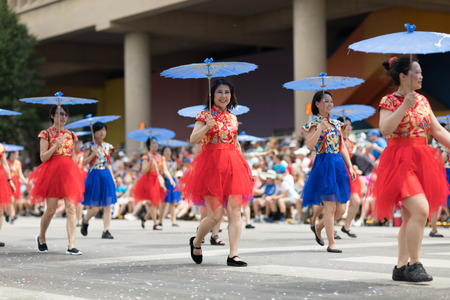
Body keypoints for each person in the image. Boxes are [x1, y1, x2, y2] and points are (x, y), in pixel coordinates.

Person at [371, 56, 450, 282]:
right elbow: (385, 128)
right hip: (399, 161)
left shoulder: (423, 101)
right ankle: (414, 264)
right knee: (421, 210)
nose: (422, 76)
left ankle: (400, 268)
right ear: (403, 76)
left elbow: (438, 131)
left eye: (421, 72)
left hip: (422, 159)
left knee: (410, 218)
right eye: (417, 72)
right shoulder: (389, 100)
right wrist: (404, 105)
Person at [178, 78, 253, 267]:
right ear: (213, 95)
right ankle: (196, 241)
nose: (224, 96)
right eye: (220, 92)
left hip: (233, 164)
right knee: (215, 216)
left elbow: (235, 144)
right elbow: (193, 139)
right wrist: (207, 127)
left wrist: (244, 166)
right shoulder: (204, 115)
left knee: (235, 211)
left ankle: (233, 255)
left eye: (227, 92)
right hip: (212, 166)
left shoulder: (233, 117)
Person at [302, 91, 356, 253]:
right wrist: (320, 129)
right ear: (317, 104)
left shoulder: (337, 124)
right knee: (331, 207)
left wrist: (350, 166)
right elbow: (309, 146)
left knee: (341, 209)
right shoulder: (313, 124)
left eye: (331, 101)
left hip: (338, 165)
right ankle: (331, 242)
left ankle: (318, 227)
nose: (330, 104)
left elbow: (343, 147)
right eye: (326, 101)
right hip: (323, 164)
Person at [28, 105, 85, 255]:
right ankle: (41, 237)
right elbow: (43, 157)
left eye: (65, 114)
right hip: (52, 173)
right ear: (52, 116)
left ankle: (71, 245)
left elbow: (72, 156)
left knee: (71, 208)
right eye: (59, 114)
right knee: (51, 210)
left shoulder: (71, 135)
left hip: (68, 173)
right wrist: (56, 146)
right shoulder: (45, 134)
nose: (63, 117)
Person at [80, 122, 117, 239]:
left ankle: (106, 230)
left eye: (104, 130)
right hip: (94, 175)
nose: (102, 133)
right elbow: (83, 162)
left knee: (107, 205)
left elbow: (109, 164)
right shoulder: (88, 146)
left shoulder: (108, 146)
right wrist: (92, 155)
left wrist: (113, 177)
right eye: (100, 130)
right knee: (95, 208)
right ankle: (85, 221)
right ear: (94, 132)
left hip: (105, 175)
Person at [134, 137, 175, 230]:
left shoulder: (161, 157)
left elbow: (164, 170)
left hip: (159, 180)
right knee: (154, 202)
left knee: (161, 203)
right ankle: (155, 223)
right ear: (149, 145)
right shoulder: (146, 156)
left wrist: (170, 179)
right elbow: (144, 171)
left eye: (156, 143)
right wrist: (150, 161)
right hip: (150, 180)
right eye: (153, 143)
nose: (155, 145)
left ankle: (145, 218)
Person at [337, 117, 361, 238]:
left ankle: (346, 226)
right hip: (338, 172)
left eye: (350, 125)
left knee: (356, 200)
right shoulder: (336, 140)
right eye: (345, 125)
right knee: (338, 205)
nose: (349, 127)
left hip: (349, 171)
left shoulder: (350, 142)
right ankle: (326, 226)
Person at [158, 146, 181, 227]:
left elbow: (174, 173)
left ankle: (173, 221)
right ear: (163, 152)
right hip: (166, 181)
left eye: (169, 150)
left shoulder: (174, 161)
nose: (168, 152)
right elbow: (163, 172)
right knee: (164, 203)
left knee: (173, 203)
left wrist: (176, 183)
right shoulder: (162, 161)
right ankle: (160, 220)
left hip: (173, 182)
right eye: (166, 150)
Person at [0, 143, 16, 247]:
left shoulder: (0, 147)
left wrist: (10, 180)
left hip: (1, 178)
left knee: (0, 210)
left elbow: (5, 164)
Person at [6, 151, 28, 224]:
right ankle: (12, 216)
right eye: (16, 154)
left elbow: (20, 174)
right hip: (8, 182)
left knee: (15, 200)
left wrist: (25, 182)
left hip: (16, 182)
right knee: (11, 199)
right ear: (12, 154)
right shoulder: (6, 162)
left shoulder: (18, 163)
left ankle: (9, 213)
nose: (17, 156)